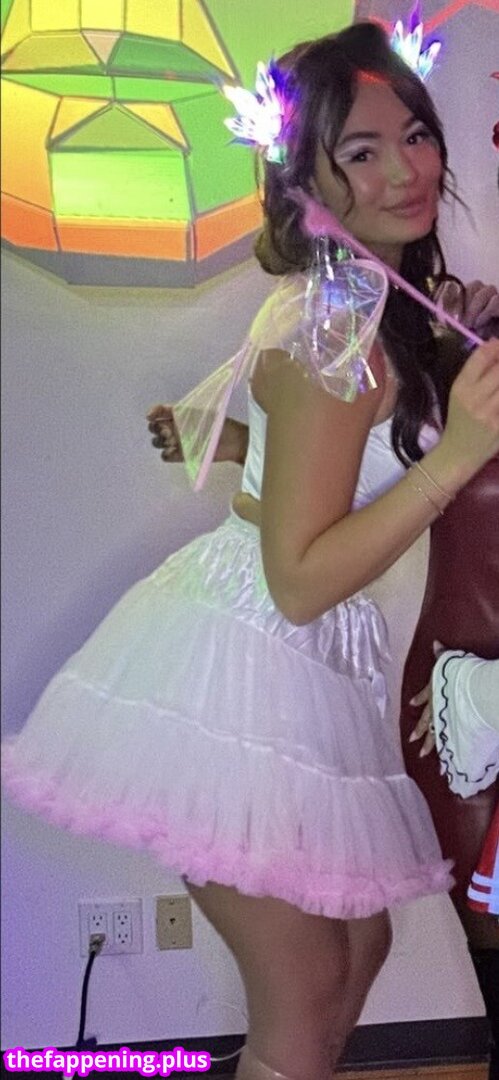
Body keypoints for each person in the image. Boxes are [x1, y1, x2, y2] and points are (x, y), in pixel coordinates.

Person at [4, 23, 499, 1080]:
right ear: (305, 179)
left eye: (415, 134)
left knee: (354, 949)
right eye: (361, 150)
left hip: (299, 660)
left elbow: (330, 459)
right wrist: (457, 453)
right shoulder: (337, 330)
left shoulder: (371, 301)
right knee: (307, 985)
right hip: (250, 657)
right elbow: (299, 578)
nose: (406, 168)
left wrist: (244, 441)